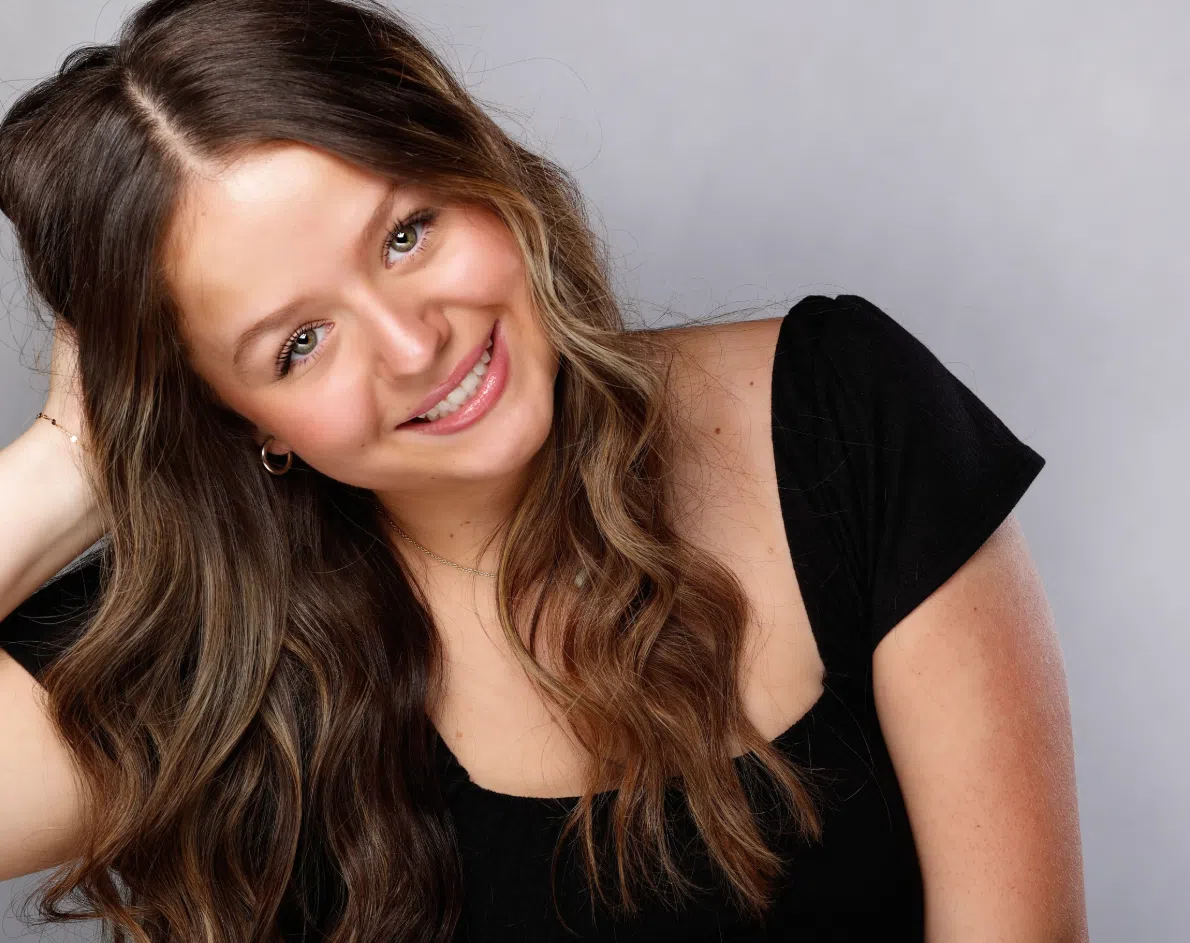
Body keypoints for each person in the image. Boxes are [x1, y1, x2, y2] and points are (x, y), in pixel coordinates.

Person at [0, 0, 1087, 940]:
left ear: (480, 173)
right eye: (299, 343)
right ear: (238, 421)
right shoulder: (197, 660)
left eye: (406, 234)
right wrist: (68, 463)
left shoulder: (843, 413)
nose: (413, 344)